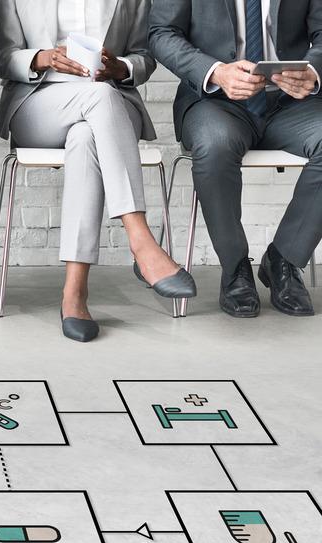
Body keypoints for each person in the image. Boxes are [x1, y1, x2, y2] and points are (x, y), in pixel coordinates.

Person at [0, 0, 196, 343]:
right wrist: (41, 58)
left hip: (111, 107)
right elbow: (0, 55)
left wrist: (120, 68)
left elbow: (144, 57)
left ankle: (74, 293)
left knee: (86, 133)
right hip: (39, 101)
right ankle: (142, 241)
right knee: (98, 99)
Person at [150, 0, 322, 318]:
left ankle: (284, 260)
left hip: (290, 103)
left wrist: (311, 70)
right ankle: (235, 268)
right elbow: (161, 32)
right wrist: (215, 71)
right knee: (215, 144)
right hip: (214, 100)